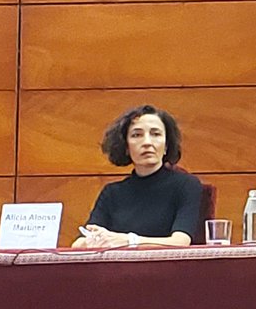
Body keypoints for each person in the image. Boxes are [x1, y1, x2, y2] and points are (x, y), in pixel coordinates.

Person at [75, 105, 204, 248]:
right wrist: (95, 240)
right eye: (137, 135)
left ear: (166, 145)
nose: (147, 142)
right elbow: (78, 244)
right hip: (119, 268)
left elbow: (180, 241)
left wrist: (130, 241)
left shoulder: (186, 185)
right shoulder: (112, 193)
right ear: (125, 147)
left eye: (155, 134)